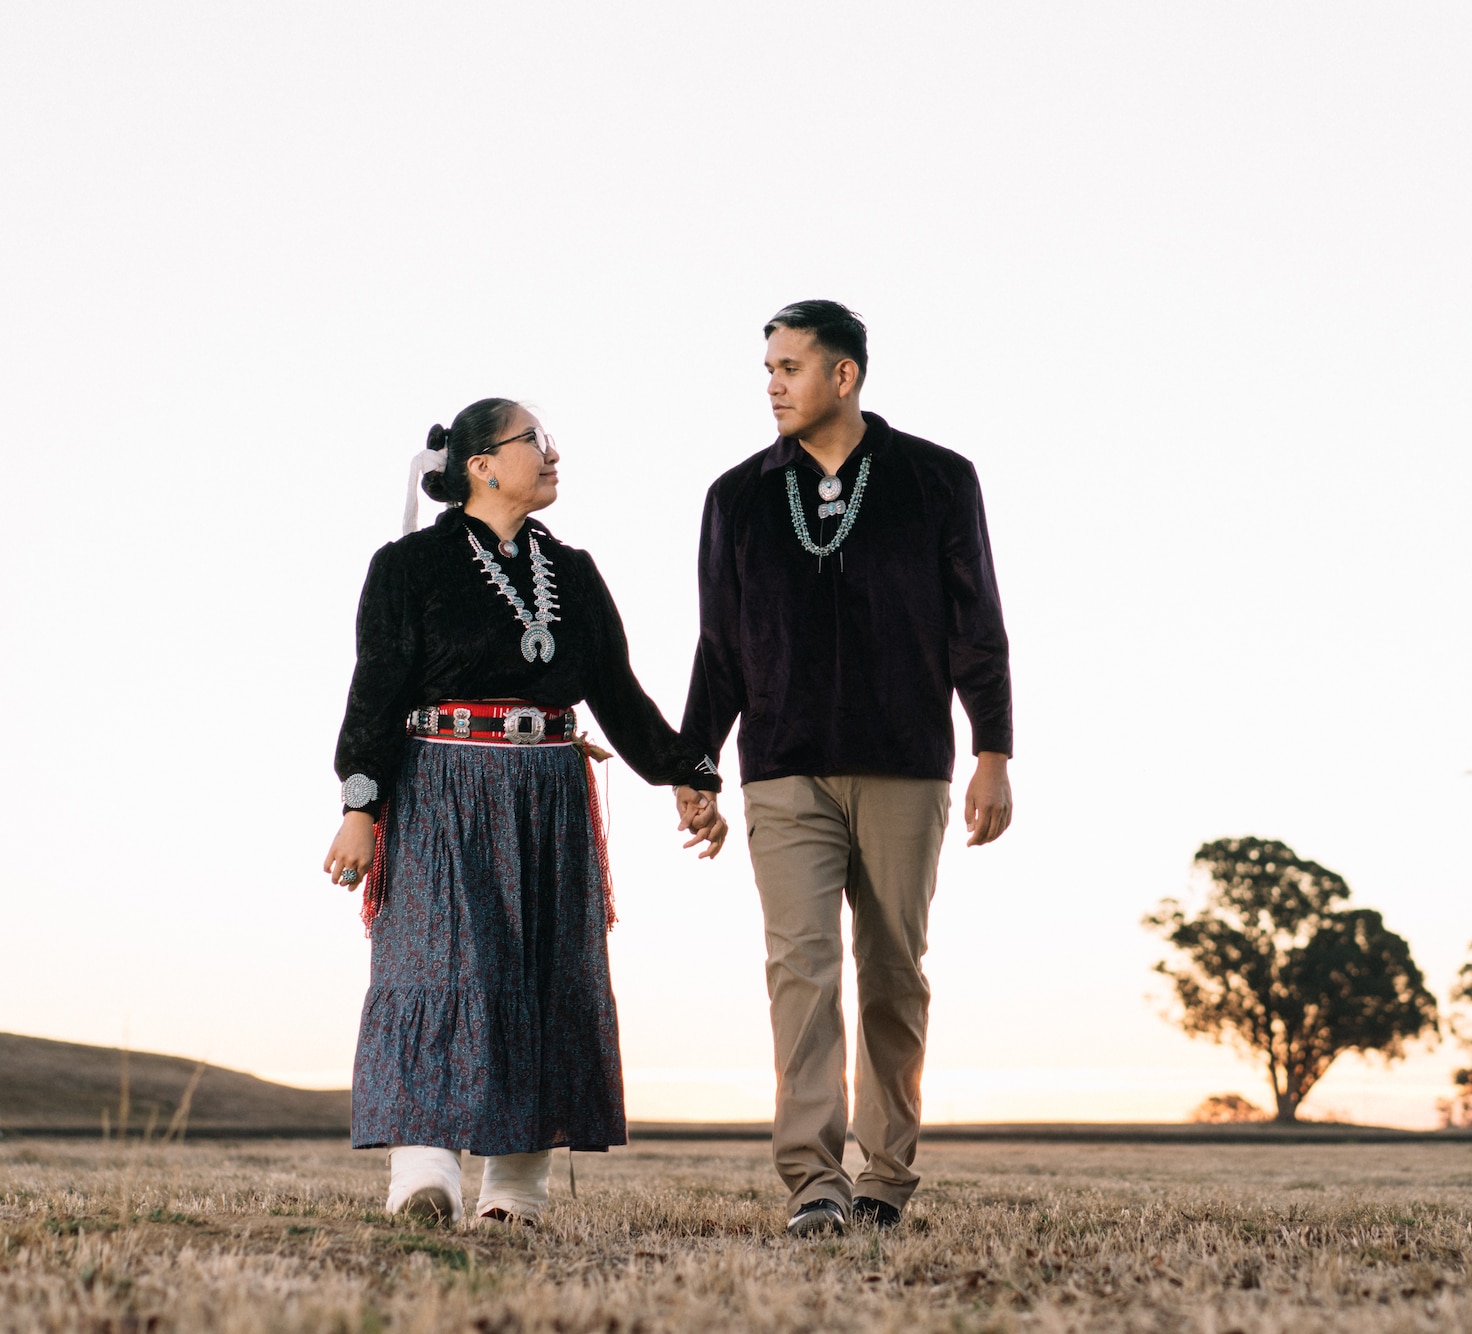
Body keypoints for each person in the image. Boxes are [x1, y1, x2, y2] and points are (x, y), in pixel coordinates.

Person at [324, 398, 727, 1227]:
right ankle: (424, 1174)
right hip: (441, 790)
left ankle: (514, 1192)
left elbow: (618, 693)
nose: (552, 455)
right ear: (480, 465)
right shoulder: (409, 567)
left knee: (544, 973)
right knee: (435, 965)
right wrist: (360, 804)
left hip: (548, 796)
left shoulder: (572, 571)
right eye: (534, 441)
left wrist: (689, 771)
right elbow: (375, 691)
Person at [682, 301, 1014, 1235]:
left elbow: (976, 625)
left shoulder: (938, 479)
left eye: (791, 368)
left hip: (908, 764)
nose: (775, 386)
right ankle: (814, 1181)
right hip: (782, 768)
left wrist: (993, 749)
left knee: (894, 969)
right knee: (802, 967)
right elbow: (720, 645)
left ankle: (886, 1175)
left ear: (845, 375)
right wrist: (692, 761)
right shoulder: (737, 495)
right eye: (769, 371)